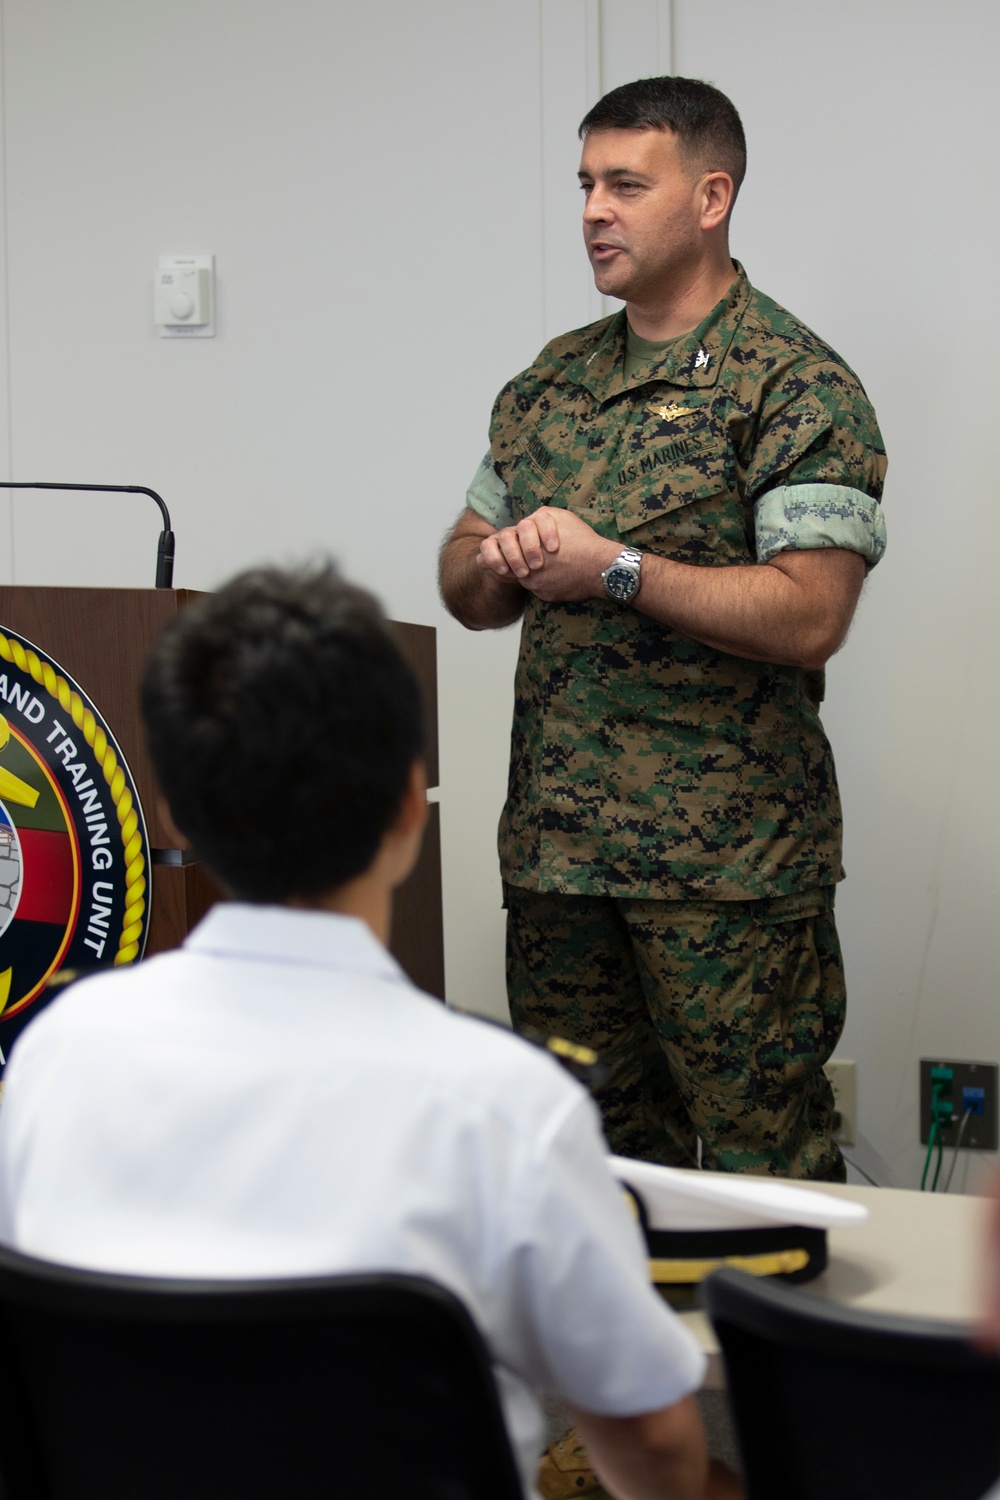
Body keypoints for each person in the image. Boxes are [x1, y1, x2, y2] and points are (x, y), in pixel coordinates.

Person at [0, 564, 740, 1500]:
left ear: (175, 811)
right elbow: (654, 1450)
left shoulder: (55, 1060)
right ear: (406, 809)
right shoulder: (507, 1109)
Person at [439, 75, 887, 1182]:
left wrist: (616, 569)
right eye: (585, 184)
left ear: (710, 197)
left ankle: (764, 1365)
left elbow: (811, 613)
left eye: (626, 184)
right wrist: (498, 567)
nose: (593, 209)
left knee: (757, 1173)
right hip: (557, 866)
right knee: (584, 1170)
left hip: (727, 873)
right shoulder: (546, 388)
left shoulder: (795, 385)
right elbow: (459, 575)